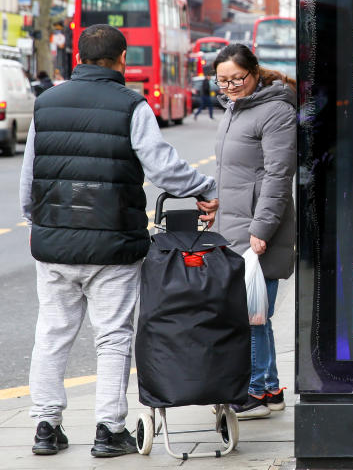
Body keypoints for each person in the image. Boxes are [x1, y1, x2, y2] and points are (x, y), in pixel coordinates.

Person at [19, 24, 220, 458]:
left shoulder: (46, 103)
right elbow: (163, 169)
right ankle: (109, 431)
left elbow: (30, 176)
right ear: (122, 59)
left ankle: (45, 428)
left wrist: (38, 221)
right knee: (112, 338)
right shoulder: (132, 105)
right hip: (112, 245)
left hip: (53, 244)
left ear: (78, 56)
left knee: (52, 334)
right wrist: (203, 186)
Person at [213, 43, 296, 420]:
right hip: (234, 227)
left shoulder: (275, 111)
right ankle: (270, 389)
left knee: (252, 314)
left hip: (258, 231)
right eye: (222, 81)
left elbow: (279, 176)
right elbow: (235, 172)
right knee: (253, 310)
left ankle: (258, 392)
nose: (229, 87)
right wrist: (216, 202)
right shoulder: (235, 108)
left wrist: (261, 229)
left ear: (255, 71)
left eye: (236, 79)